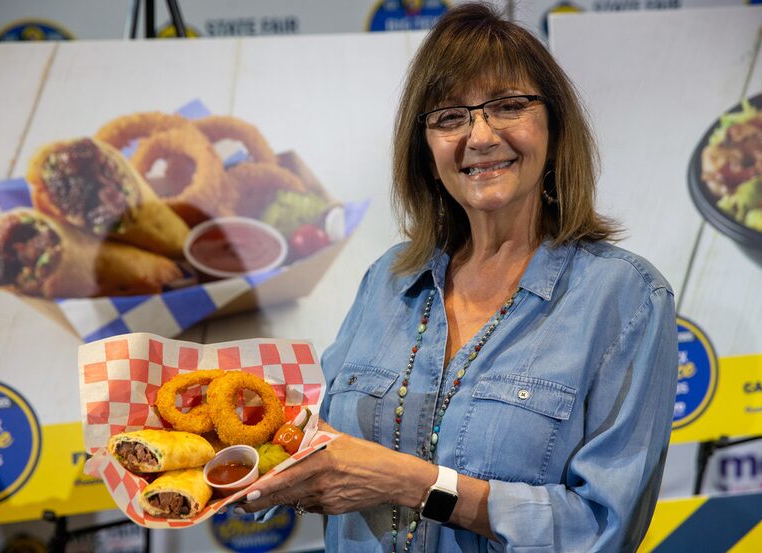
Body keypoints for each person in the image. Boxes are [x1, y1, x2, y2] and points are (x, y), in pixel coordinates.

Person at [242, 3, 678, 551]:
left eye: (508, 106)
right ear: (425, 150)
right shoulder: (388, 281)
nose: (480, 135)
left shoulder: (625, 298)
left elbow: (604, 528)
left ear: (554, 127)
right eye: (449, 116)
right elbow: (309, 444)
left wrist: (417, 484)